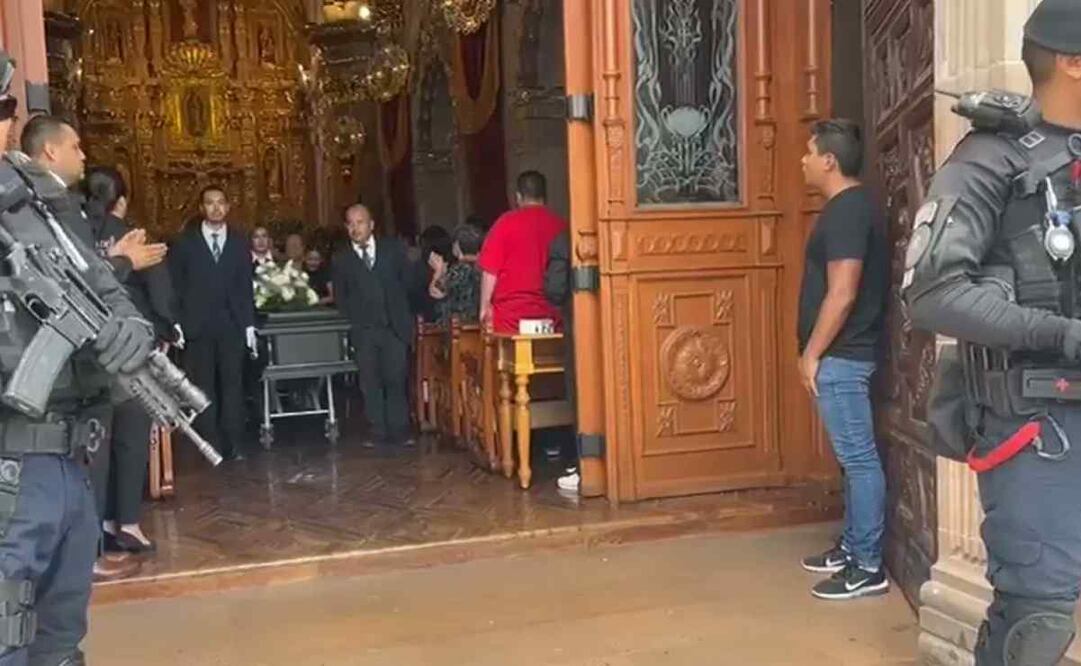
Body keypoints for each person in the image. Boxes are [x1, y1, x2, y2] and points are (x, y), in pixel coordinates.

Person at [905, 1, 1081, 662]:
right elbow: (932, 294)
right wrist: (1064, 334)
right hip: (1040, 425)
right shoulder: (988, 159)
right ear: (1069, 61)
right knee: (1035, 623)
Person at [0, 50, 154, 664]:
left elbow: (102, 281)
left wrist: (131, 331)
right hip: (11, 462)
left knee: (61, 638)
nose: (4, 122)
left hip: (67, 460)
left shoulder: (36, 200)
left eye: (6, 107)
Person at [795, 119, 890, 601]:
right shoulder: (847, 208)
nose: (803, 161)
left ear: (829, 160)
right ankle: (852, 547)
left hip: (843, 357)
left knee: (859, 459)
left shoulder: (849, 211)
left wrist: (812, 353)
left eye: (809, 152)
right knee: (852, 461)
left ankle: (868, 565)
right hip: (843, 356)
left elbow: (843, 291)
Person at [83, 166, 180, 561]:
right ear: (122, 200)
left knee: (96, 444)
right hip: (132, 352)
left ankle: (99, 526)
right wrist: (168, 333)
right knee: (131, 438)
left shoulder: (77, 234)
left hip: (90, 351)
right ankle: (126, 523)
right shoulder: (134, 237)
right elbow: (160, 294)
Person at [170, 185, 257, 462]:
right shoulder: (185, 243)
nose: (216, 208)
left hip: (231, 325)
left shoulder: (240, 242)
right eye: (210, 203)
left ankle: (235, 443)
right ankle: (211, 443)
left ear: (228, 207)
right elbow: (176, 285)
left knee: (233, 385)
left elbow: (245, 286)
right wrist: (177, 323)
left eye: (221, 203)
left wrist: (248, 326)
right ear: (201, 208)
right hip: (198, 326)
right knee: (203, 386)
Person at [332, 204, 414, 448]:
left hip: (393, 328)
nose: (355, 228)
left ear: (371, 225)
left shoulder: (394, 251)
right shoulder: (341, 259)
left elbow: (407, 283)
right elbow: (341, 296)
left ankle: (399, 430)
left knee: (396, 378)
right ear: (346, 227)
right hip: (364, 331)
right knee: (370, 381)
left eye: (360, 222)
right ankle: (377, 430)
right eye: (351, 223)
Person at [478, 171, 567, 334]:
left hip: (510, 318)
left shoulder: (504, 224)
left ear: (518, 197)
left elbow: (490, 272)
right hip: (553, 316)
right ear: (545, 197)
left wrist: (484, 308)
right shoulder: (560, 225)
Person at [543, 229, 579, 492]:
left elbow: (555, 289)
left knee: (582, 392)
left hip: (579, 326)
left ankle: (584, 463)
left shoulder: (565, 240)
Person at [429, 220, 484, 325]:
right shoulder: (484, 268)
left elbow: (436, 292)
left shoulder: (459, 270)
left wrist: (438, 271)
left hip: (459, 325)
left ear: (457, 246)